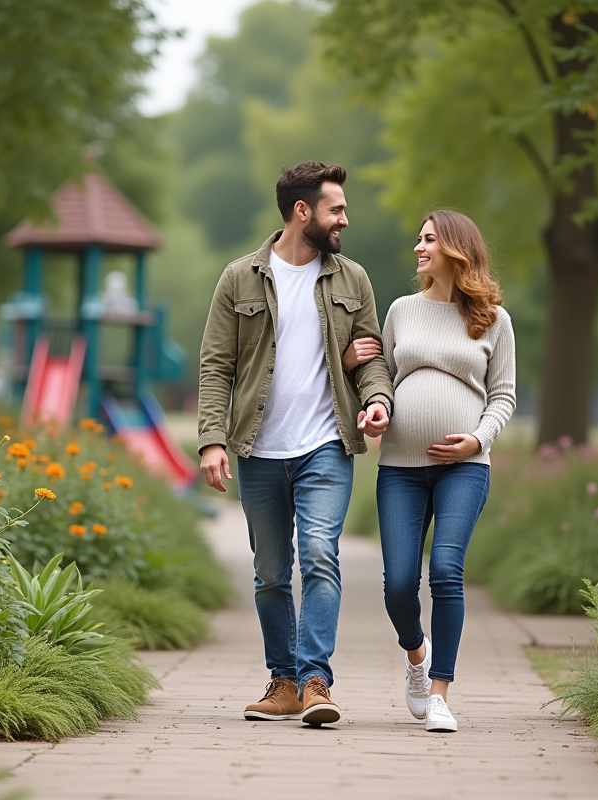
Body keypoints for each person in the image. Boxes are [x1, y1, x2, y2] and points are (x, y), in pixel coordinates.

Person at [198, 161, 394, 726]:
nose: (345, 220)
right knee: (270, 573)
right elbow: (216, 366)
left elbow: (370, 356)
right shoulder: (239, 278)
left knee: (319, 557)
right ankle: (282, 682)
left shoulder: (352, 279)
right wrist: (212, 440)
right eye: (336, 209)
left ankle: (315, 680)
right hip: (258, 448)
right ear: (301, 211)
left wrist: (377, 400)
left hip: (326, 445)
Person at [347, 209, 516, 733]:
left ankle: (440, 692)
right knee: (399, 583)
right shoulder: (401, 310)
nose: (418, 248)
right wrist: (377, 406)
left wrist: (477, 440)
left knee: (445, 570)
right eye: (419, 239)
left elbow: (503, 395)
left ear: (455, 248)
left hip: (464, 468)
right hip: (399, 465)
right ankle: (417, 654)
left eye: (427, 240)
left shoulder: (493, 319)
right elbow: (385, 377)